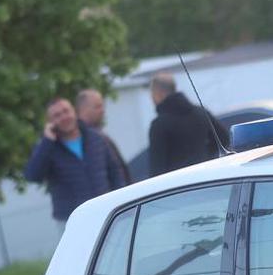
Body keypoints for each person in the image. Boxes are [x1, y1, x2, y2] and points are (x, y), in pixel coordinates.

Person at [25, 96, 126, 224]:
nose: (64, 117)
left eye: (66, 111)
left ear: (74, 111)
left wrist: (121, 203)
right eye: (57, 115)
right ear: (50, 122)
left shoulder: (96, 138)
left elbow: (116, 173)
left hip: (107, 213)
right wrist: (47, 141)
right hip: (71, 220)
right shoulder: (47, 147)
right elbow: (33, 176)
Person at [146, 72, 230, 177]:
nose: (152, 98)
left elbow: (157, 170)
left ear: (160, 93)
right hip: (206, 177)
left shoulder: (159, 125)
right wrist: (205, 157)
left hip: (178, 183)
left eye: (152, 94)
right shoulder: (201, 113)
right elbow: (224, 138)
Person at [74, 88, 131, 186]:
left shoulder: (99, 137)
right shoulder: (82, 140)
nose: (103, 111)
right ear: (84, 110)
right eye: (98, 106)